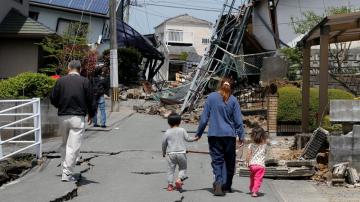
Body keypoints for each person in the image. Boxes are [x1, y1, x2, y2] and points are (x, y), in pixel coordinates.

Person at [195, 78, 244, 196]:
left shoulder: (211, 97)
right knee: (229, 161)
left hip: (214, 135)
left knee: (217, 160)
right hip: (229, 136)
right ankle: (226, 186)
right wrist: (241, 136)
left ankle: (218, 182)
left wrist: (199, 133)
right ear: (231, 88)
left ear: (220, 85)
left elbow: (204, 119)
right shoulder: (233, 100)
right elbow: (238, 121)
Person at [50, 60, 96, 182]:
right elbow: (91, 99)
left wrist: (60, 105)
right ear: (80, 69)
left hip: (63, 116)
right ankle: (67, 174)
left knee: (65, 144)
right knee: (73, 146)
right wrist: (91, 114)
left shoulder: (60, 81)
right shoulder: (85, 81)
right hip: (78, 117)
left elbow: (53, 98)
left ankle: (65, 168)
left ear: (69, 68)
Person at [162, 112, 198, 191]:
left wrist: (164, 152)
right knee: (183, 168)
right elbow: (188, 139)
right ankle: (179, 180)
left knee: (170, 170)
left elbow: (164, 143)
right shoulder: (182, 130)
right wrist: (195, 138)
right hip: (181, 153)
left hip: (170, 154)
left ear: (169, 123)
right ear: (179, 122)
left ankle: (170, 185)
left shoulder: (167, 132)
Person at [246, 127, 268, 197]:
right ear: (263, 136)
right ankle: (255, 191)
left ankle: (251, 188)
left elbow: (248, 155)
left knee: (252, 177)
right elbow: (265, 153)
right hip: (260, 165)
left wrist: (247, 162)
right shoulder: (264, 145)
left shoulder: (250, 145)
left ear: (252, 135)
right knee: (258, 179)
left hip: (252, 165)